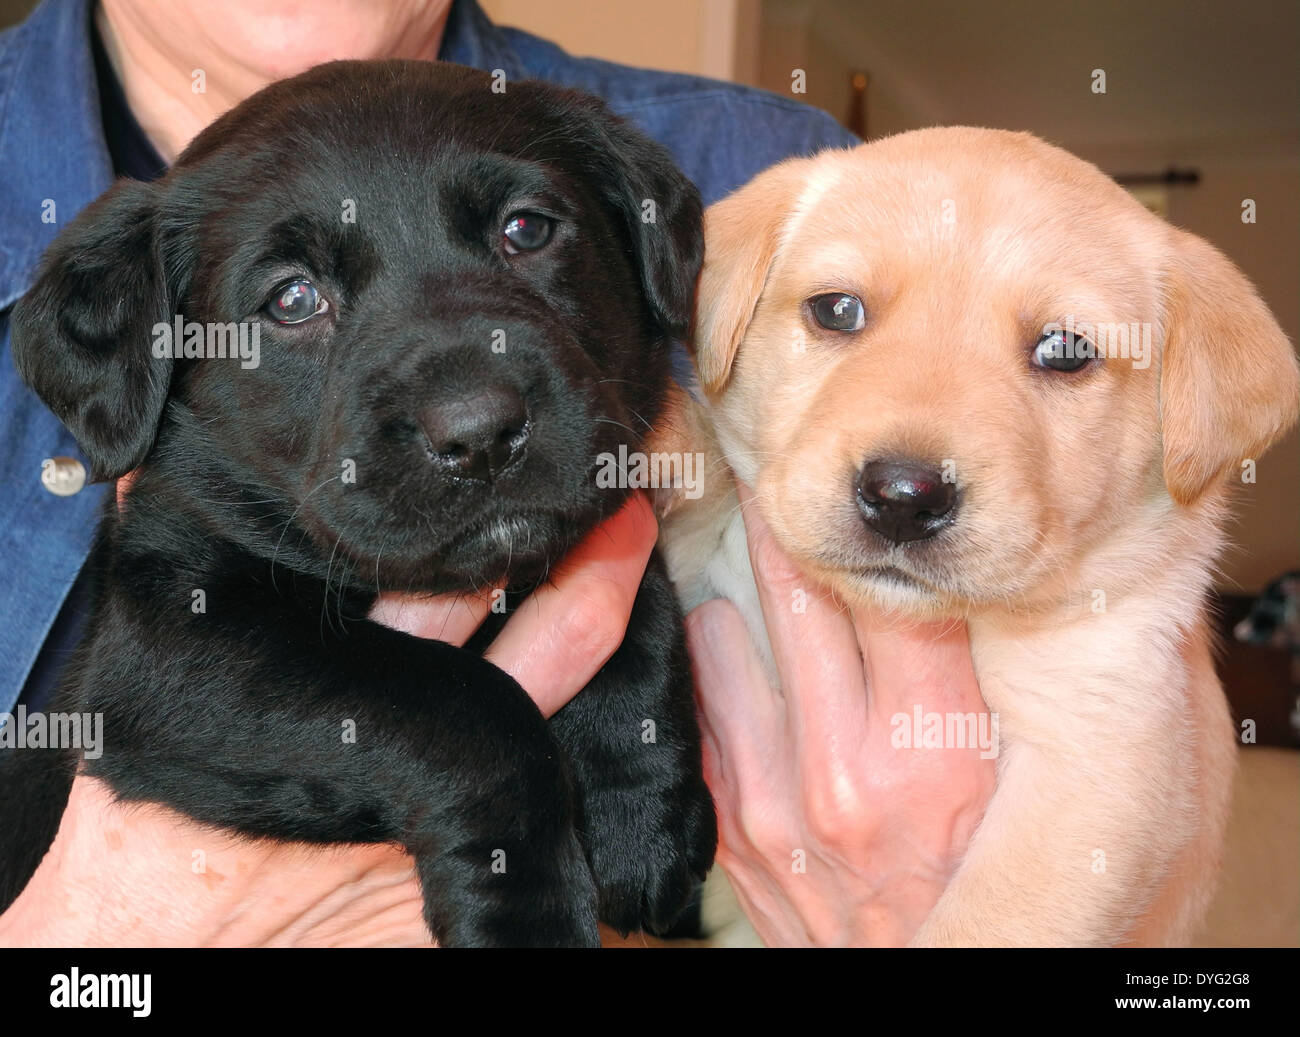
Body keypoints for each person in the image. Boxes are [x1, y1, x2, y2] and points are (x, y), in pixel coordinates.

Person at [0, 0, 992, 946]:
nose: (468, 407)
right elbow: (186, 670)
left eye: (525, 233)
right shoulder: (151, 302)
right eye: (294, 298)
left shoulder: (788, 190)